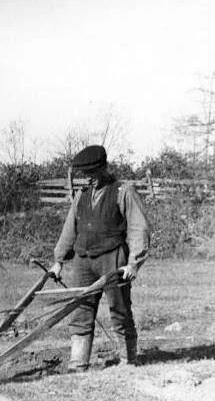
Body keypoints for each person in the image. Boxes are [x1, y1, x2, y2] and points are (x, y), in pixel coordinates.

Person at [48, 144, 150, 370]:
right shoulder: (81, 196)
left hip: (113, 258)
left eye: (93, 173)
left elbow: (138, 228)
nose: (89, 178)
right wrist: (58, 261)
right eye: (86, 174)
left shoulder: (124, 191)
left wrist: (134, 263)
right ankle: (78, 362)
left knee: (119, 309)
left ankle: (127, 360)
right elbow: (69, 229)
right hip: (83, 260)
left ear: (104, 168)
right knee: (80, 309)